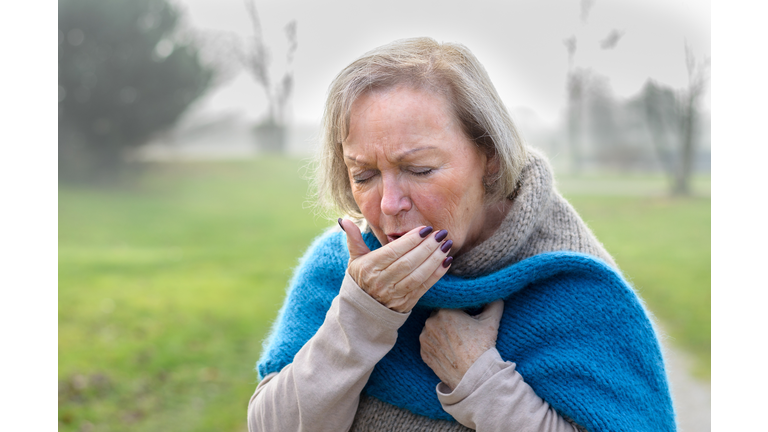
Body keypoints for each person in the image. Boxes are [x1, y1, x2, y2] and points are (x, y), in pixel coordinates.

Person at [247, 37, 675, 432]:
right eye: (365, 175)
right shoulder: (341, 270)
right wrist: (361, 317)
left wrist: (484, 385)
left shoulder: (572, 287)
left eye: (420, 170)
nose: (389, 203)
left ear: (489, 157)